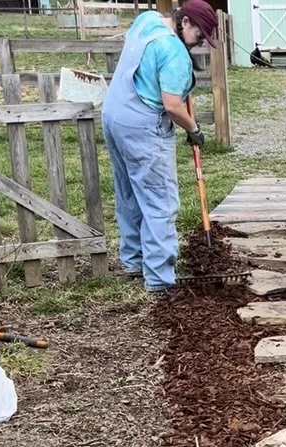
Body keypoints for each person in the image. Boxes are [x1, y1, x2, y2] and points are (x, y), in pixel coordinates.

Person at [101, 0, 218, 294]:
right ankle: (159, 279)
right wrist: (194, 128)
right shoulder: (175, 53)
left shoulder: (149, 20)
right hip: (142, 125)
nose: (201, 41)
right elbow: (173, 106)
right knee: (159, 200)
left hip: (114, 114)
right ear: (185, 22)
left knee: (129, 190)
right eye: (199, 34)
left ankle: (133, 260)